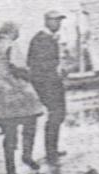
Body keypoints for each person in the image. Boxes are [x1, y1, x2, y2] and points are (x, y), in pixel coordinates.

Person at [0, 22, 44, 174]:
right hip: (17, 95)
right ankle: (27, 155)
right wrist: (33, 78)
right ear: (11, 32)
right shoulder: (11, 46)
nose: (18, 33)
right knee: (30, 123)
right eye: (17, 31)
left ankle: (10, 170)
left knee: (9, 134)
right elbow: (18, 68)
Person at [27, 10, 68, 162]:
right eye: (56, 20)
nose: (58, 24)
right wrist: (56, 72)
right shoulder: (42, 39)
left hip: (49, 82)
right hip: (47, 84)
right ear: (47, 21)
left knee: (57, 115)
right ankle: (51, 152)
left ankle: (52, 150)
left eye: (59, 21)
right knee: (57, 114)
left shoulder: (48, 38)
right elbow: (40, 64)